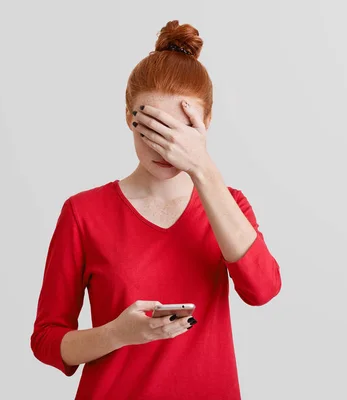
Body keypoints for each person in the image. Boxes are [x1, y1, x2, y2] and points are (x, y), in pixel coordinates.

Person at [30, 20, 282, 399]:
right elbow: (47, 340)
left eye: (178, 131)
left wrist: (203, 168)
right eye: (150, 128)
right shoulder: (83, 213)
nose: (164, 149)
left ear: (206, 124)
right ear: (128, 118)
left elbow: (263, 289)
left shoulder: (229, 205)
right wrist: (116, 334)